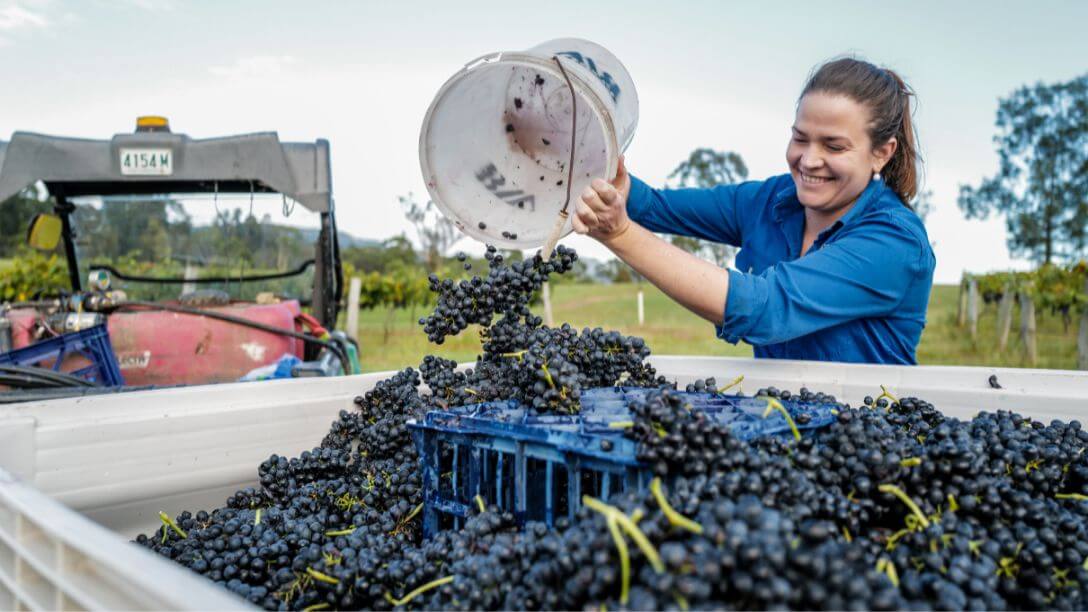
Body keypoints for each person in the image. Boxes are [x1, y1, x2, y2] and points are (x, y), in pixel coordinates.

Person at [572, 57, 936, 365]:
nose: (809, 160)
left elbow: (765, 309)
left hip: (864, 437)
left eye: (834, 147)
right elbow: (653, 206)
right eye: (800, 138)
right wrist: (610, 180)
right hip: (776, 425)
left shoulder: (895, 242)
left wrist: (620, 235)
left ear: (882, 153)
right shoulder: (771, 199)